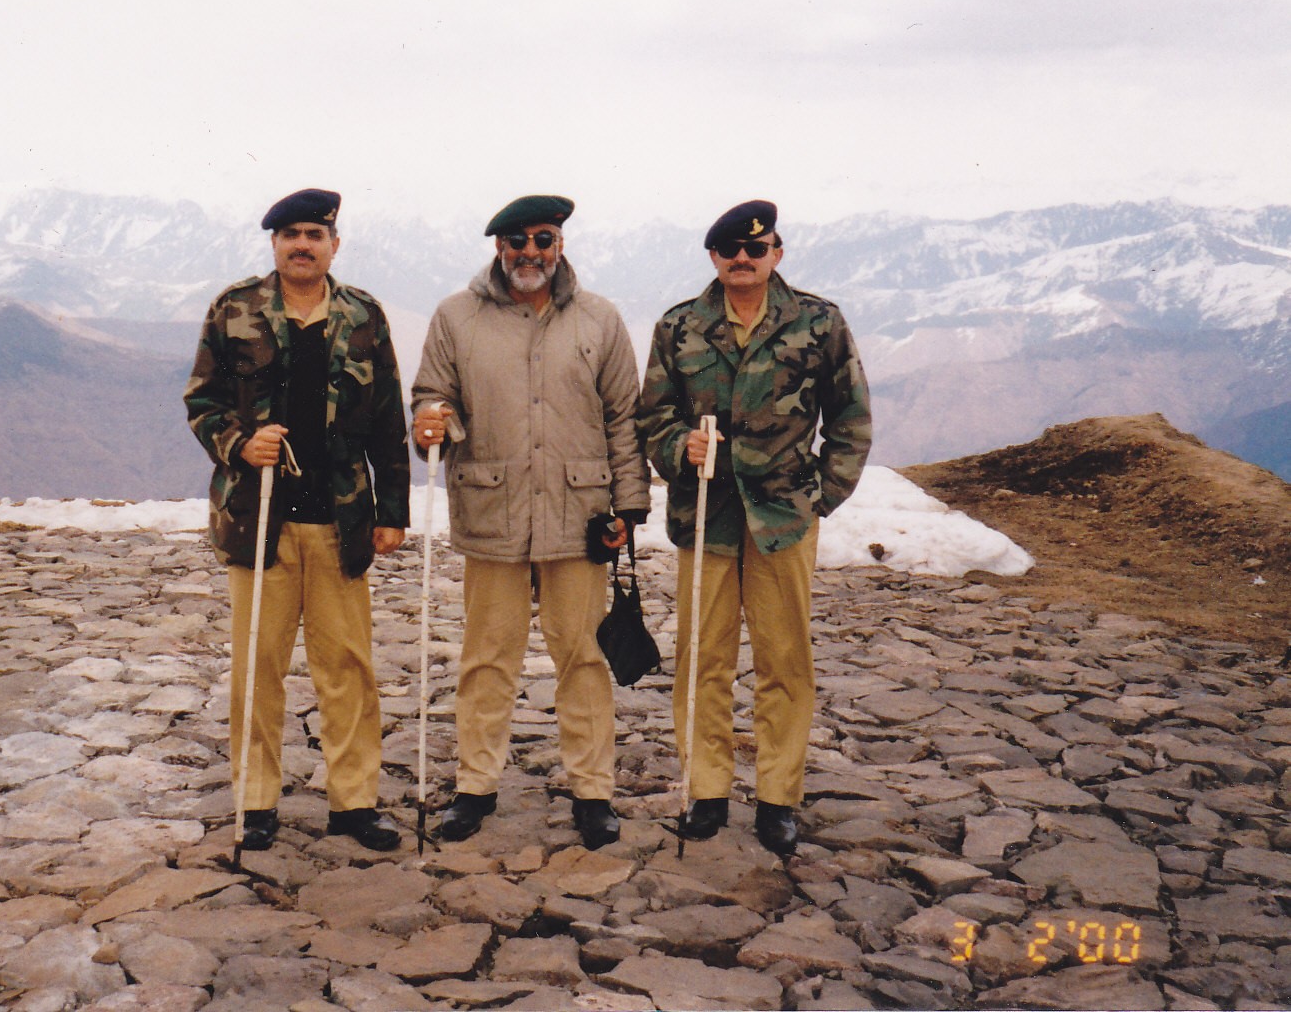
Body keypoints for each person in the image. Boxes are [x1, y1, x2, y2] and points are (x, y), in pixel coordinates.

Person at [412, 193, 650, 849]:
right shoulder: (455, 318)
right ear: (498, 248)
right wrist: (433, 423)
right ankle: (474, 786)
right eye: (517, 242)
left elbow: (624, 420)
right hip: (492, 512)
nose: (530, 253)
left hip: (581, 515)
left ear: (562, 243)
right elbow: (433, 400)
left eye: (543, 239)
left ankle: (593, 791)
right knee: (487, 658)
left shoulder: (600, 320)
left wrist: (629, 506)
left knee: (584, 655)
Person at [637, 199, 872, 857]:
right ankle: (706, 791)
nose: (743, 259)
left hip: (781, 519)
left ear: (776, 252)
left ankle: (778, 799)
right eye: (729, 250)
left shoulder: (818, 323)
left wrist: (821, 496)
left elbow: (850, 416)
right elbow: (650, 418)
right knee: (702, 658)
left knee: (784, 659)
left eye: (756, 248)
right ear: (713, 257)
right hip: (706, 515)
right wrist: (678, 446)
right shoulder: (680, 327)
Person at [184, 187, 411, 852]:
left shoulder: (363, 314)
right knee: (259, 666)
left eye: (315, 234)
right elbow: (202, 399)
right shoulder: (234, 309)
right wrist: (236, 444)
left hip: (341, 519)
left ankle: (355, 802)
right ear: (274, 245)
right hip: (259, 520)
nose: (302, 245)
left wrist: (392, 511)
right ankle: (256, 803)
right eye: (291, 235)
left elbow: (389, 418)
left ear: (334, 244)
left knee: (347, 667)